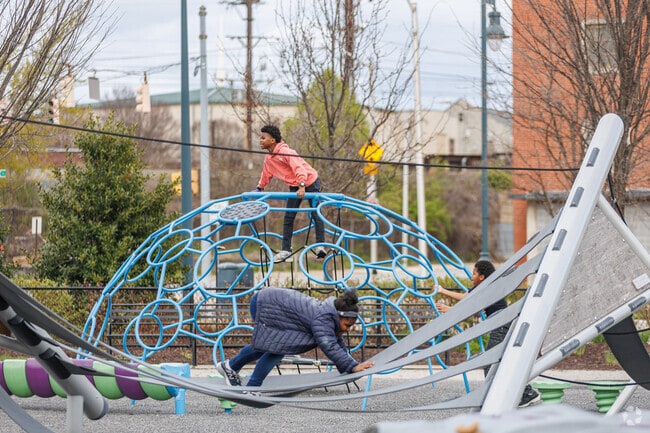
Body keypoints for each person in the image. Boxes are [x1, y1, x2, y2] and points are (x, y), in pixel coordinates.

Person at [216, 288, 375, 391]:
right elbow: (329, 345)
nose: (347, 329)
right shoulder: (324, 318)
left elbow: (337, 343)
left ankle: (230, 367)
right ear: (339, 316)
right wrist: (352, 366)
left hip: (271, 304)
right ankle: (251, 387)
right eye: (347, 325)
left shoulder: (330, 316)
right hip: (265, 304)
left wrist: (350, 365)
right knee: (274, 349)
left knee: (269, 346)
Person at [435, 260, 540, 408]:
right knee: (500, 361)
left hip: (501, 324)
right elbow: (465, 297)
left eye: (474, 273)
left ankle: (512, 395)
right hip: (502, 323)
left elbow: (468, 307)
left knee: (490, 362)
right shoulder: (485, 287)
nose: (472, 276)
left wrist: (449, 310)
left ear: (482, 277)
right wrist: (442, 291)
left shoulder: (486, 288)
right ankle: (522, 393)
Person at [255, 124, 326, 263]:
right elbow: (266, 174)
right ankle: (286, 250)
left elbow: (299, 168)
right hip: (295, 185)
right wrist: (259, 188)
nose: (260, 140)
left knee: (315, 212)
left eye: (263, 138)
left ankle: (320, 245)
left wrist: (302, 185)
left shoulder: (286, 152)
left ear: (273, 140)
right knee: (289, 217)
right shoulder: (269, 159)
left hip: (309, 181)